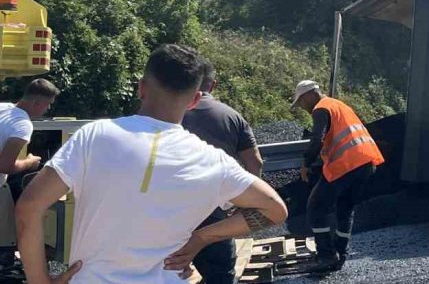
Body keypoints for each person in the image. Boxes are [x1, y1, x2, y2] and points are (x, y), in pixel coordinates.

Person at [15, 44, 287, 284]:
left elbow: (29, 206)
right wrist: (201, 238)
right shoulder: (213, 161)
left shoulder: (94, 136)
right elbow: (275, 210)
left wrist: (40, 280)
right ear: (194, 100)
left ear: (141, 87)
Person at [181, 60, 264, 284]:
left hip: (169, 212)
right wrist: (245, 203)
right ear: (213, 85)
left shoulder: (170, 114)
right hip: (213, 214)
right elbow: (254, 162)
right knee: (221, 276)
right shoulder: (232, 116)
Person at [291, 79, 384, 273]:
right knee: (345, 208)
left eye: (300, 102)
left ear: (309, 95)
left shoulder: (321, 108)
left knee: (316, 207)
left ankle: (326, 256)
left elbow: (318, 138)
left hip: (346, 164)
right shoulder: (339, 105)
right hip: (365, 163)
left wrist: (306, 164)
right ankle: (340, 254)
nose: (301, 107)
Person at [0, 79, 59, 267]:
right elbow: (5, 165)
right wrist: (29, 162)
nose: (47, 109)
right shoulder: (23, 124)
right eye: (47, 105)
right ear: (37, 103)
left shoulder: (3, 108)